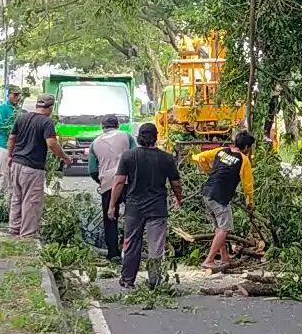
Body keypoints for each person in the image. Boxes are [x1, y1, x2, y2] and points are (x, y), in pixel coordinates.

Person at [112, 122, 185, 289]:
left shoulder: (128, 156)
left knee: (131, 243)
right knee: (156, 246)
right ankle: (154, 281)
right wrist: (179, 198)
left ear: (139, 137)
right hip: (157, 209)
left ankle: (127, 280)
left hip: (134, 208)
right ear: (156, 137)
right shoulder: (166, 158)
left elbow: (118, 183)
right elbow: (176, 184)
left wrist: (112, 205)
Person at [191, 129, 256, 273]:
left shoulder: (221, 151)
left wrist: (208, 171)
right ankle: (209, 260)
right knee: (225, 228)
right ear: (246, 148)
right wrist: (250, 203)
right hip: (220, 197)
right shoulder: (244, 160)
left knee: (219, 227)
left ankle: (225, 257)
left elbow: (200, 157)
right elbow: (248, 186)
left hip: (207, 193)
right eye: (250, 147)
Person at [5, 93, 58, 238]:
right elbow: (51, 143)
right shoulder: (46, 122)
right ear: (50, 108)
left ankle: (14, 228)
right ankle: (28, 234)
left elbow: (11, 137)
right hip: (32, 167)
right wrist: (64, 157)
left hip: (16, 163)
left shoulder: (22, 117)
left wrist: (10, 155)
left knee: (17, 196)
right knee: (31, 201)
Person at [88, 115, 134, 264]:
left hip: (108, 183)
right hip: (128, 181)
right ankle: (131, 250)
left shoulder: (95, 143)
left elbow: (92, 170)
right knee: (132, 218)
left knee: (110, 219)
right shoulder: (127, 137)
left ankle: (112, 253)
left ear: (103, 127)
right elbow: (135, 157)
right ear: (117, 125)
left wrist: (102, 181)